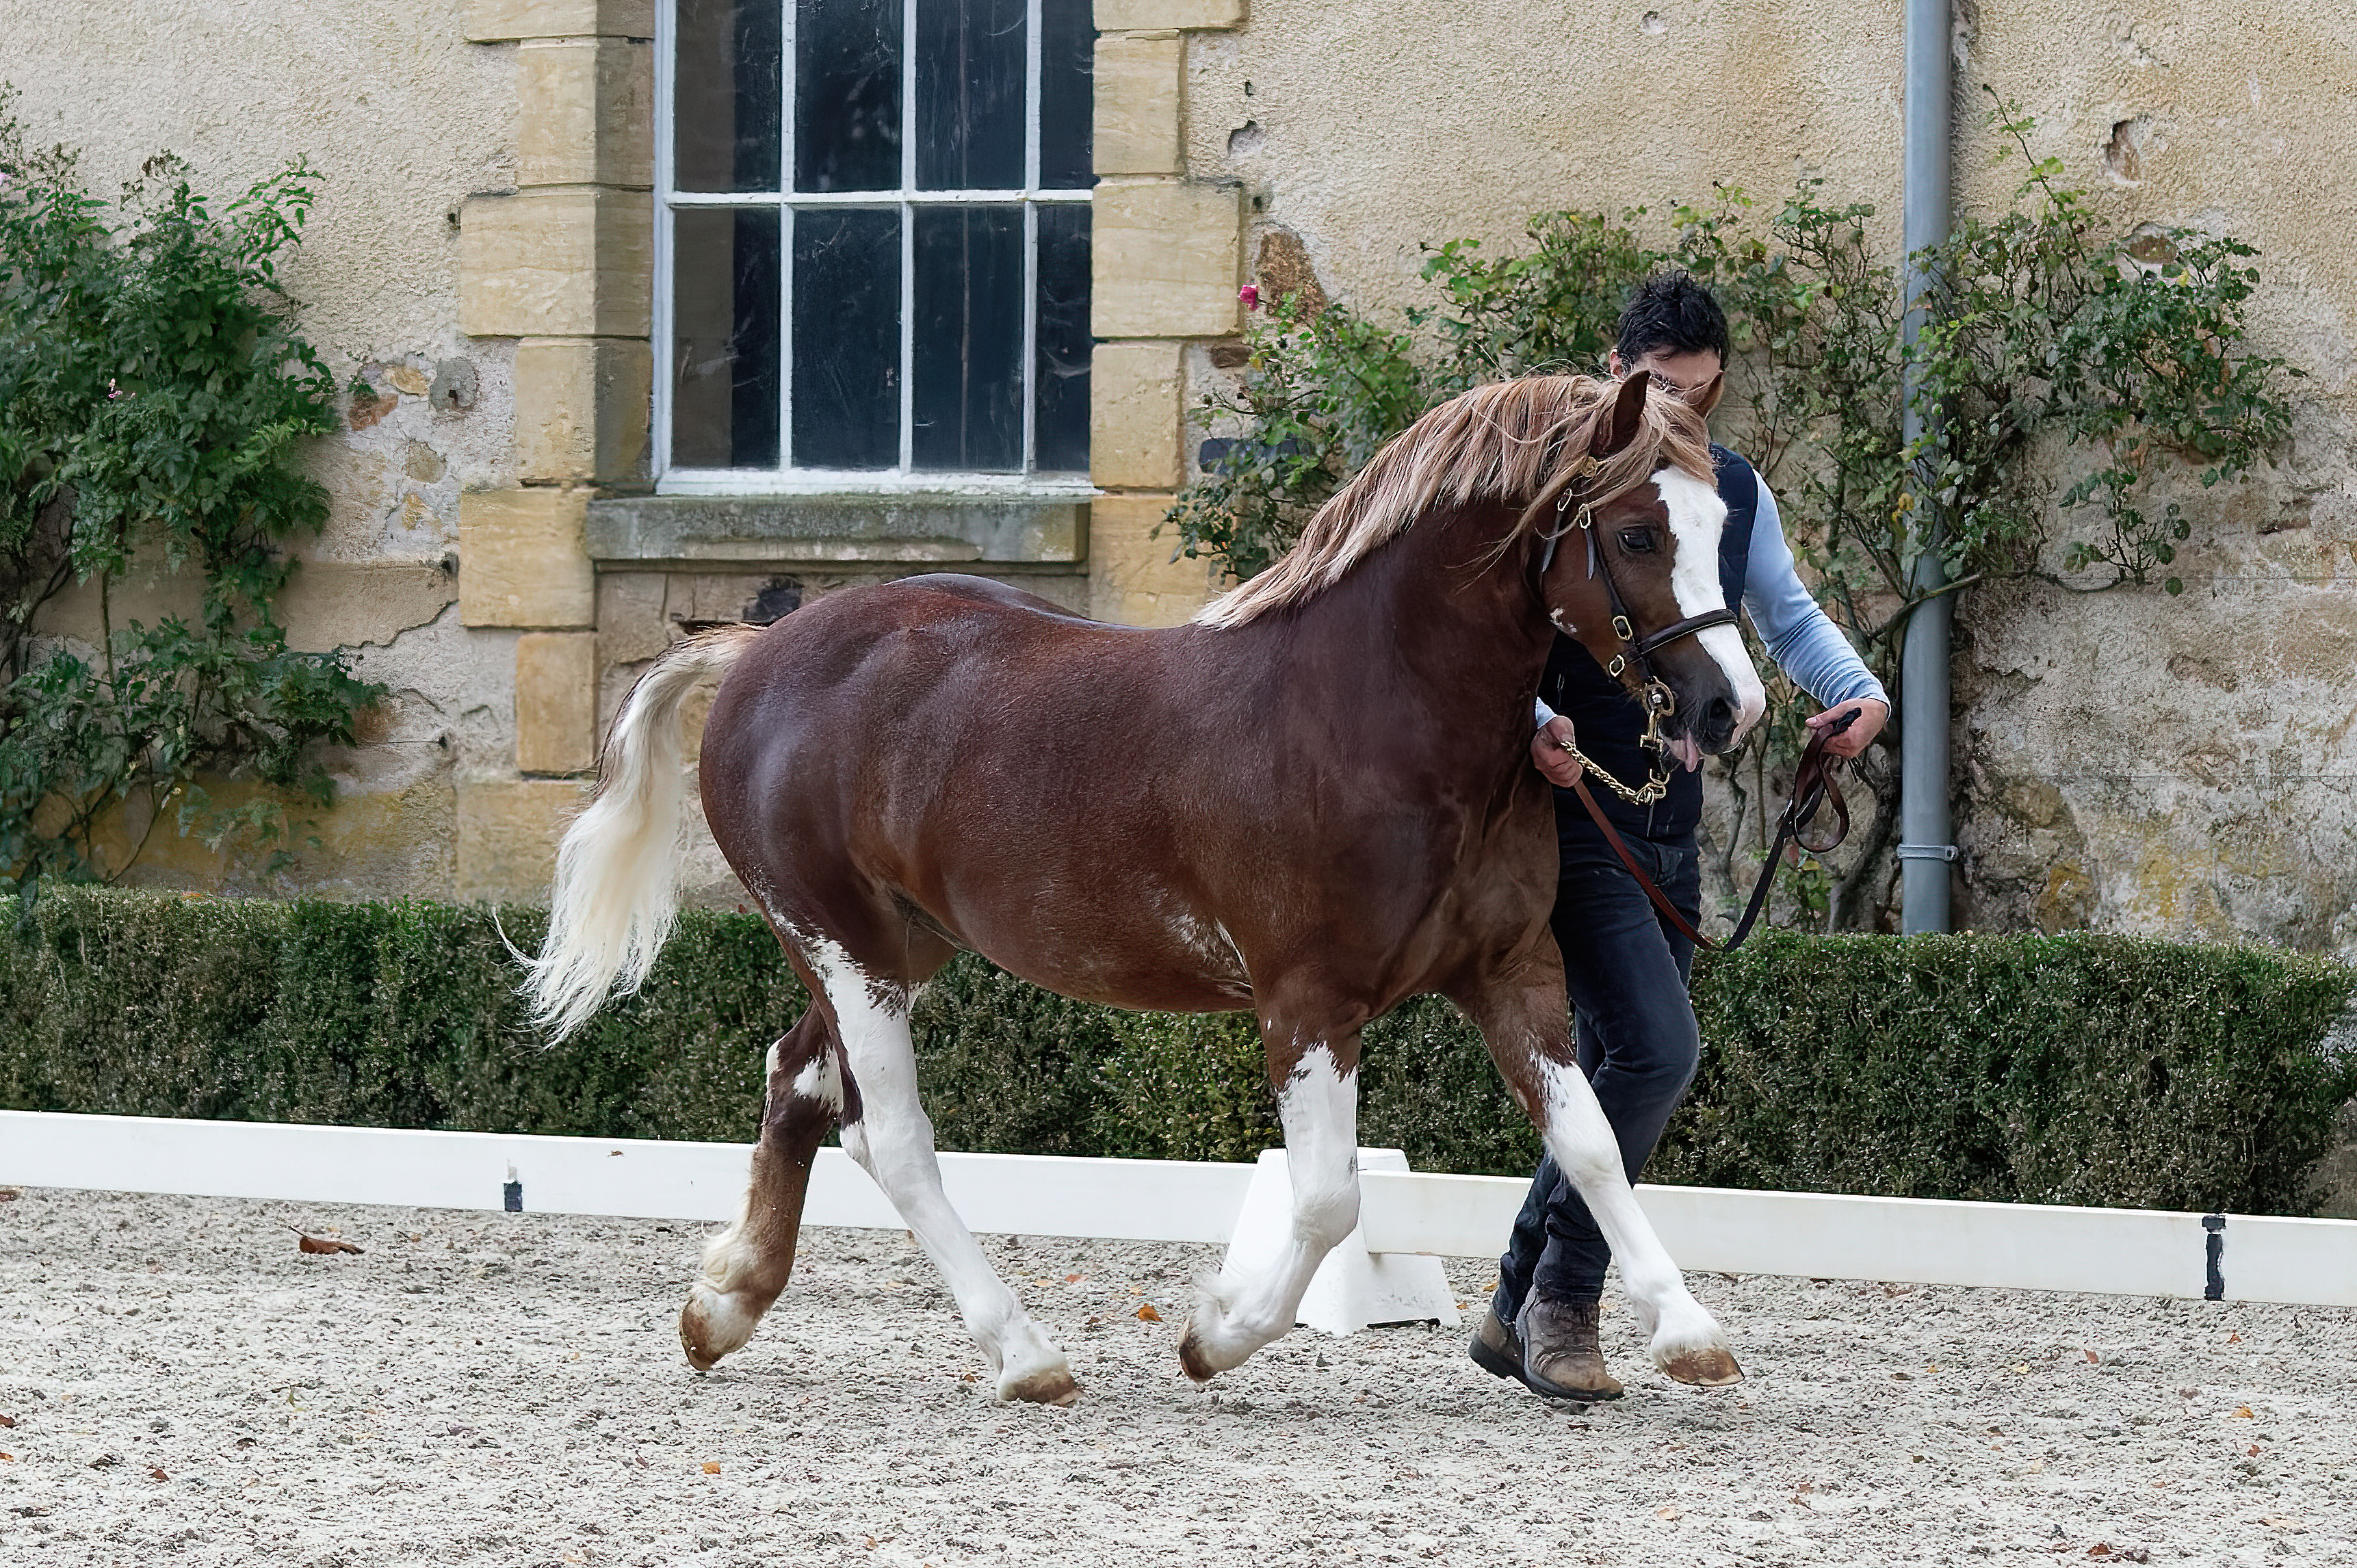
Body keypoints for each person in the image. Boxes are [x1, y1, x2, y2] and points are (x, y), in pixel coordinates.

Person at [1470, 273, 1890, 1401]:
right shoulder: (1550, 486)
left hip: (1671, 813)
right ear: (1616, 371)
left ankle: (1512, 1302)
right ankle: (1562, 1303)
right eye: (1662, 388)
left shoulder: (1728, 487)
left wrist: (1854, 691)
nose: (1683, 412)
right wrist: (1534, 716)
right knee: (1656, 1050)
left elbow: (1781, 613)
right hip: (1569, 812)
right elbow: (1476, 639)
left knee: (1617, 1065)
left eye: (1701, 394)